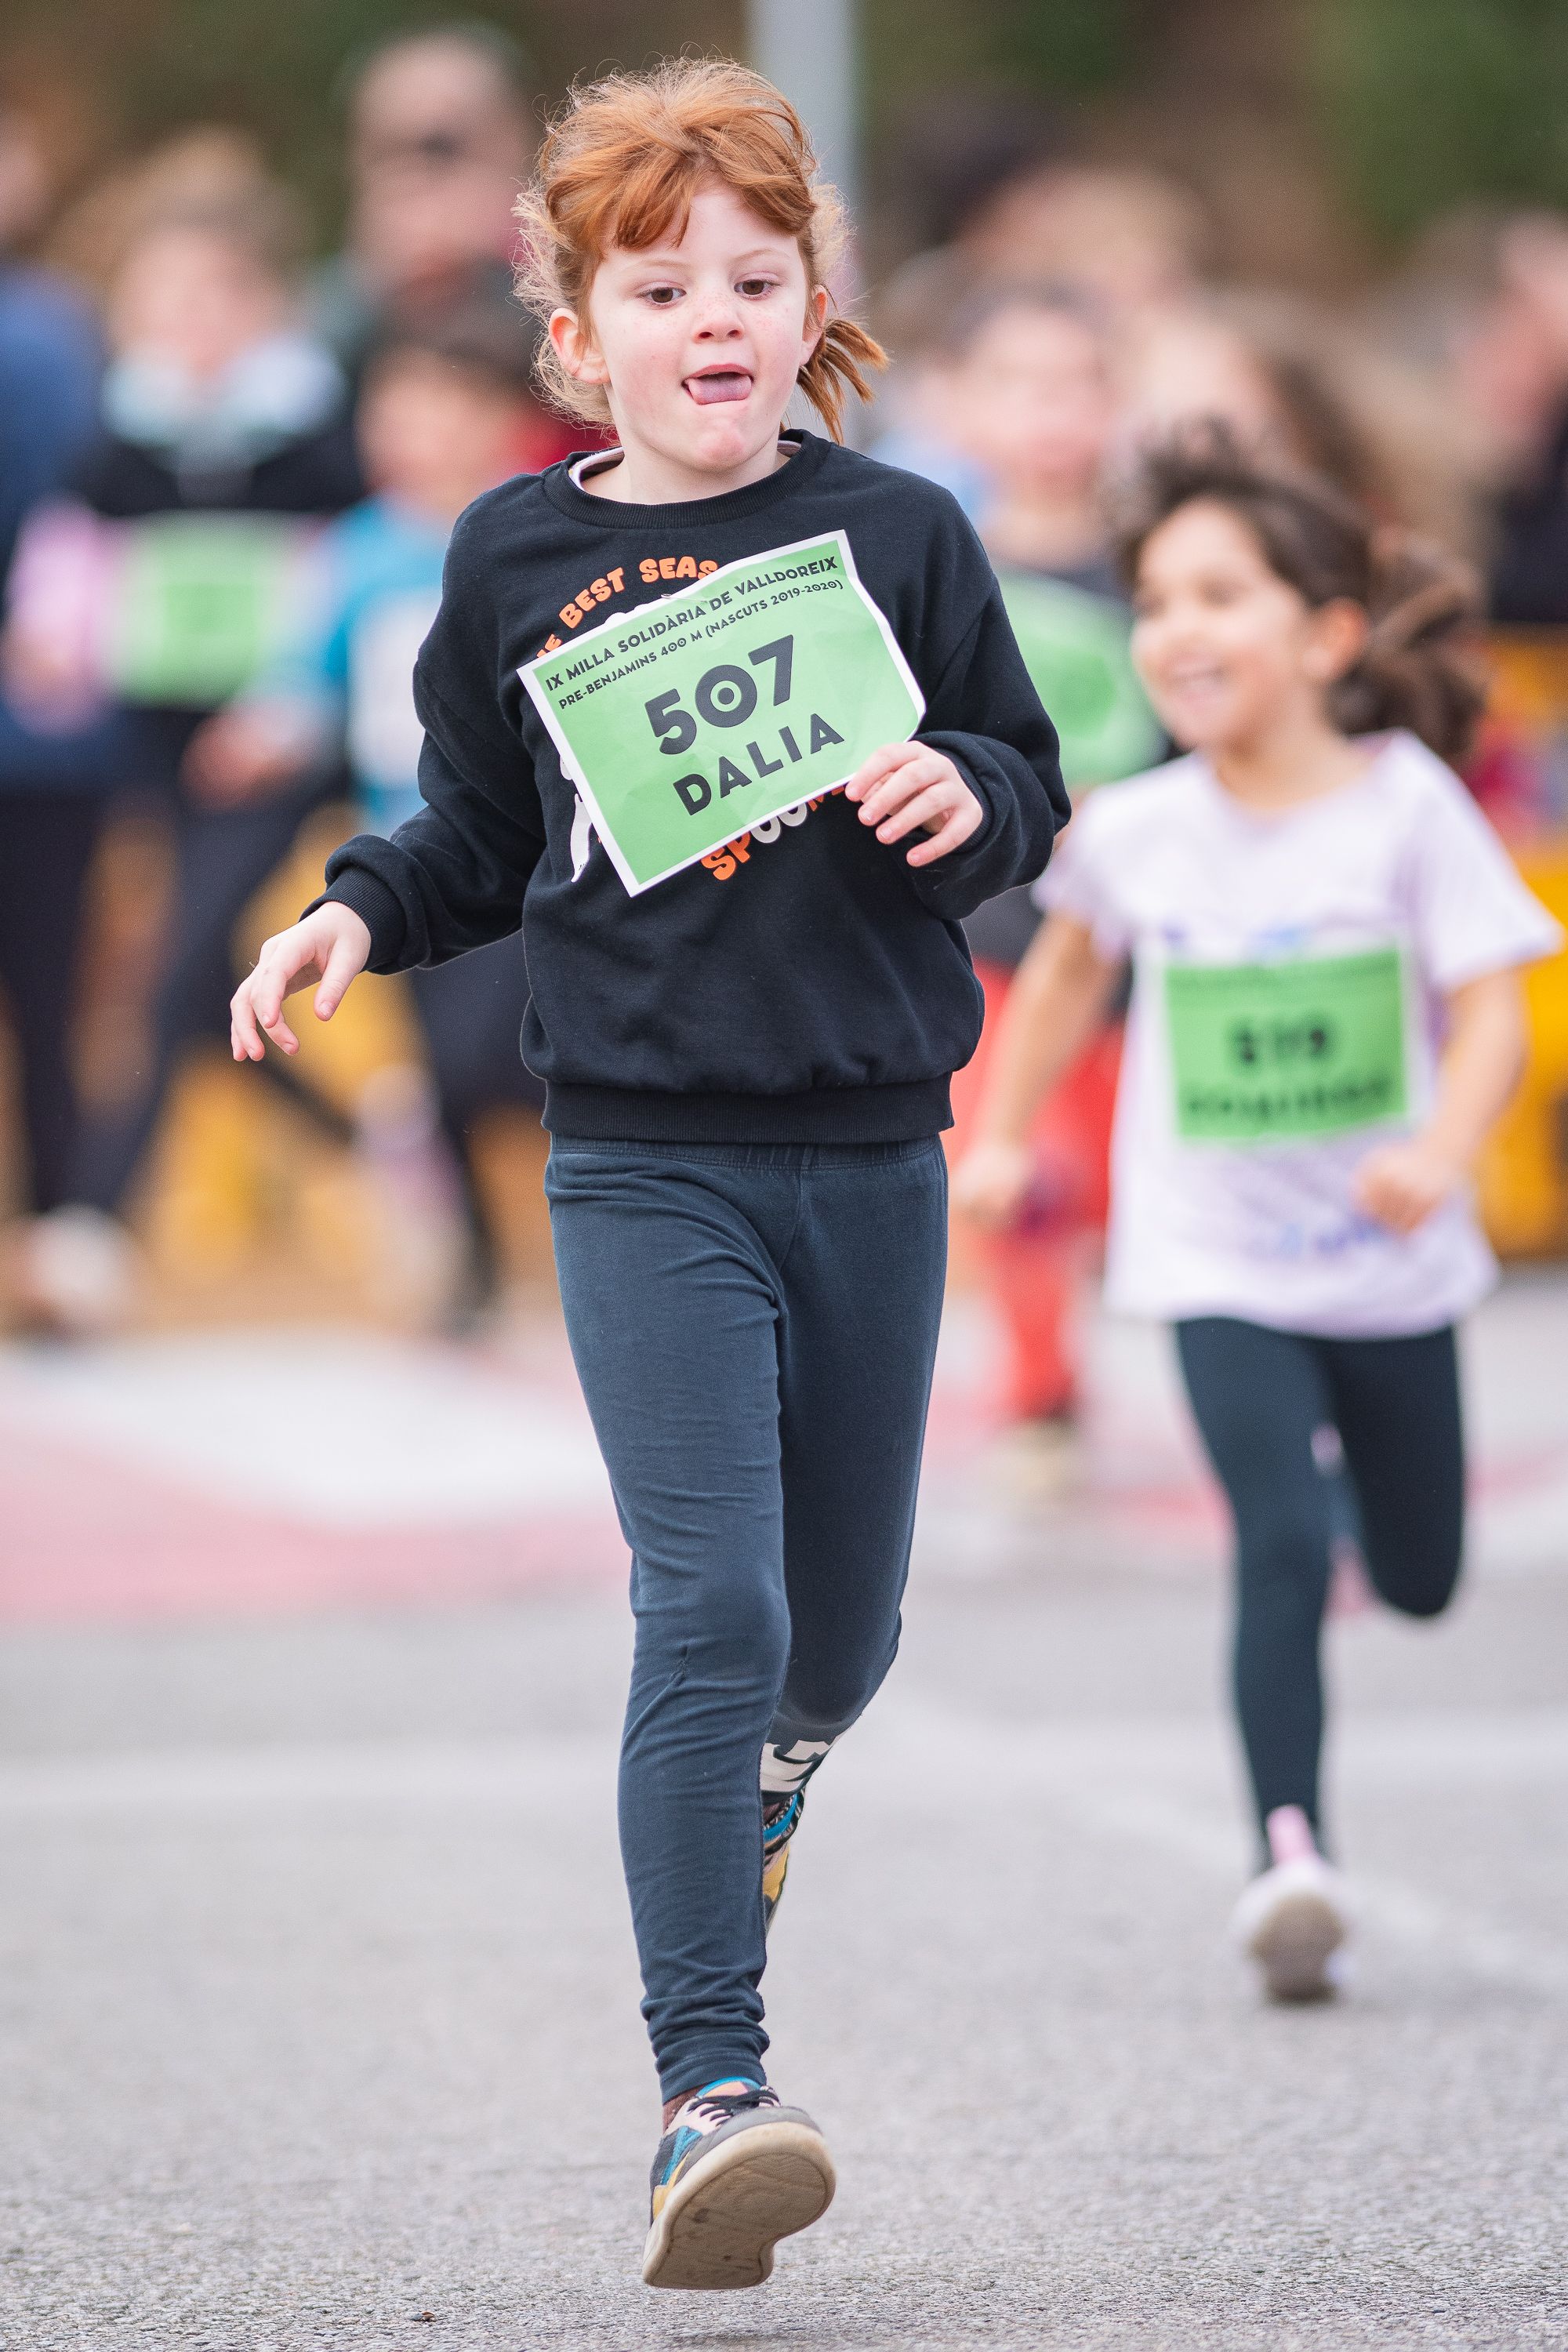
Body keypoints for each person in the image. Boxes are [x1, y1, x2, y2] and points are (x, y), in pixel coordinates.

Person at [230, 58, 1066, 2288]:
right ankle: (713, 2086)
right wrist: (348, 908)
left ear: (815, 304)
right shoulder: (517, 555)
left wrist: (957, 799)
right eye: (661, 279)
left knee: (843, 1636)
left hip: (875, 1143)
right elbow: (478, 835)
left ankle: (760, 1800)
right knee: (711, 1605)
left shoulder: (902, 535)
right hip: (637, 1161)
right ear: (575, 324)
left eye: (757, 275)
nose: (717, 311)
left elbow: (1027, 777)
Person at [956, 429, 1559, 2002]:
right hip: (1213, 1258)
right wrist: (1007, 1136)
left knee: (1416, 1575)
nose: (1175, 631)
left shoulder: (1405, 809)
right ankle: (1286, 1854)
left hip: (1389, 1262)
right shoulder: (1142, 827)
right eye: (1155, 599)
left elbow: (1492, 1005)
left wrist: (1440, 1146)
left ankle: (1376, 1527)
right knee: (1275, 1543)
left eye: (1219, 593)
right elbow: (1064, 973)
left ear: (1325, 634)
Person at [4, 191, 362, 1328]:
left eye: (213, 296)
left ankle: (92, 1229)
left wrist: (286, 708)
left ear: (262, 305)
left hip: (274, 748)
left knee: (174, 966)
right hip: (153, 742)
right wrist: (49, 642)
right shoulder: (117, 434)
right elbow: (69, 558)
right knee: (193, 978)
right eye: (163, 301)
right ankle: (364, 1130)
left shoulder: (311, 429)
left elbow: (352, 572)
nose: (190, 323)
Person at [187, 312, 548, 1319]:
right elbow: (308, 677)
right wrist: (261, 732)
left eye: (445, 403)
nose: (417, 428)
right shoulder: (355, 553)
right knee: (441, 1071)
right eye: (397, 406)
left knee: (490, 1057)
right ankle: (468, 1265)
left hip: (535, 850)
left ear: (500, 419)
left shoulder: (532, 532)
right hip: (411, 850)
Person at [943, 283, 1160, 1467]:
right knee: (1019, 1170)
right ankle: (1039, 1392)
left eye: (1079, 382)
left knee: (1122, 1177)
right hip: (991, 934)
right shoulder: (939, 564)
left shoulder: (1158, 569)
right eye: (1020, 383)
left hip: (1137, 940)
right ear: (961, 403)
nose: (1052, 413)